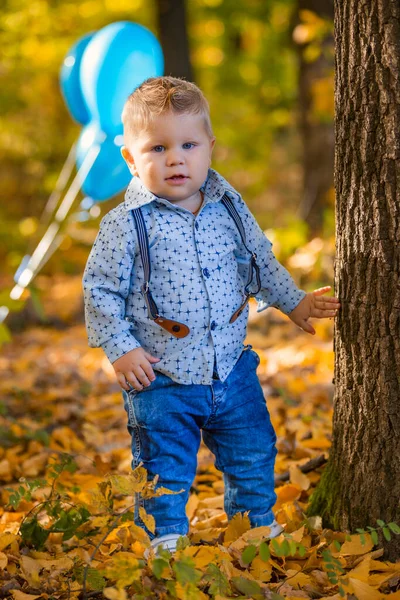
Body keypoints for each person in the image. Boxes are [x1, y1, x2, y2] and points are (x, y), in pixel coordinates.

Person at [82, 76, 340, 554]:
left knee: (253, 452)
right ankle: (165, 541)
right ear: (131, 159)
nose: (175, 158)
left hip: (231, 369)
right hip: (159, 376)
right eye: (157, 147)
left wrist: (295, 302)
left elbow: (258, 260)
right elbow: (100, 289)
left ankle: (255, 526)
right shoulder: (126, 224)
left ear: (209, 148)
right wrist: (121, 349)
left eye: (188, 144)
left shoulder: (228, 206)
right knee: (164, 465)